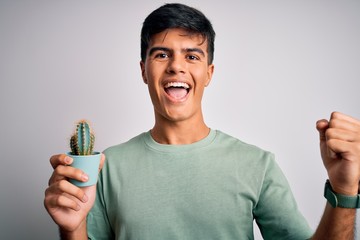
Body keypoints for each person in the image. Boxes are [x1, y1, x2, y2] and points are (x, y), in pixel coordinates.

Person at [44, 3, 360, 240]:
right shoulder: (105, 166)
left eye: (192, 56)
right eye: (162, 54)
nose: (176, 67)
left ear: (209, 73)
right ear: (143, 70)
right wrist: (72, 230)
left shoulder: (257, 164)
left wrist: (344, 190)